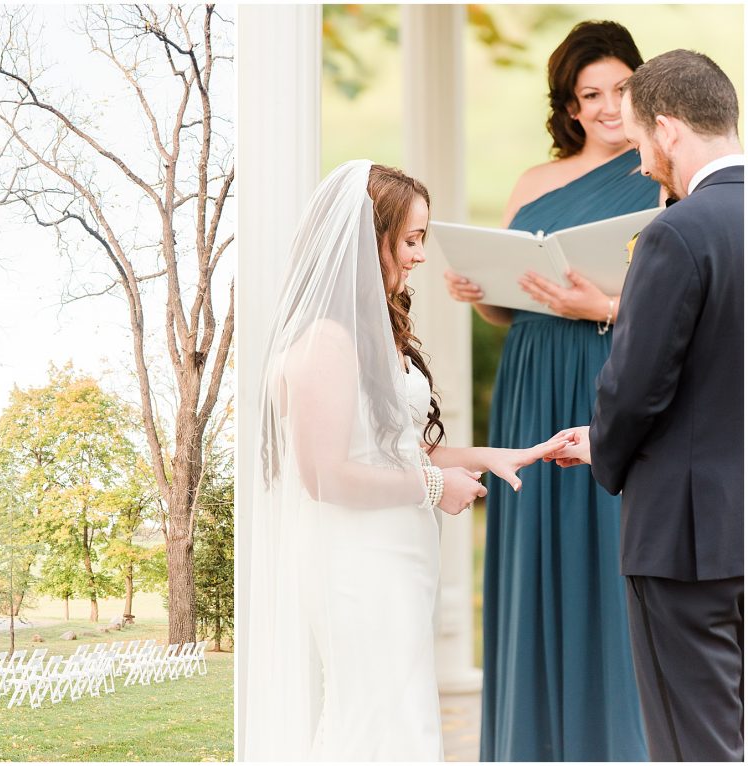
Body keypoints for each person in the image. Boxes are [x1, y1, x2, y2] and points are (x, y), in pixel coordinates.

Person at [243, 160, 568, 760]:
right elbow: (324, 475)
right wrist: (431, 486)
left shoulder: (370, 333)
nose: (421, 256)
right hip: (357, 562)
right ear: (373, 239)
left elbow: (397, 446)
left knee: (403, 713)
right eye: (412, 240)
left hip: (396, 555)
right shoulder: (325, 342)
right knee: (376, 720)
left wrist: (502, 455)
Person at [443, 21, 660, 761]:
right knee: (534, 546)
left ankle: (618, 743)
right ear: (568, 107)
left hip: (609, 371)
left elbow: (697, 302)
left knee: (610, 547)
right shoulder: (535, 182)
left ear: (643, 82)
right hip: (532, 374)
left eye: (620, 88)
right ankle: (532, 742)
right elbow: (511, 301)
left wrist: (600, 307)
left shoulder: (663, 173)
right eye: (587, 95)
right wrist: (478, 290)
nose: (605, 107)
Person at [546, 50, 744, 762]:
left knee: (700, 743)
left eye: (636, 143)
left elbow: (635, 385)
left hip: (687, 538)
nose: (639, 163)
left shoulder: (675, 232)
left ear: (667, 129)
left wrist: (603, 443)